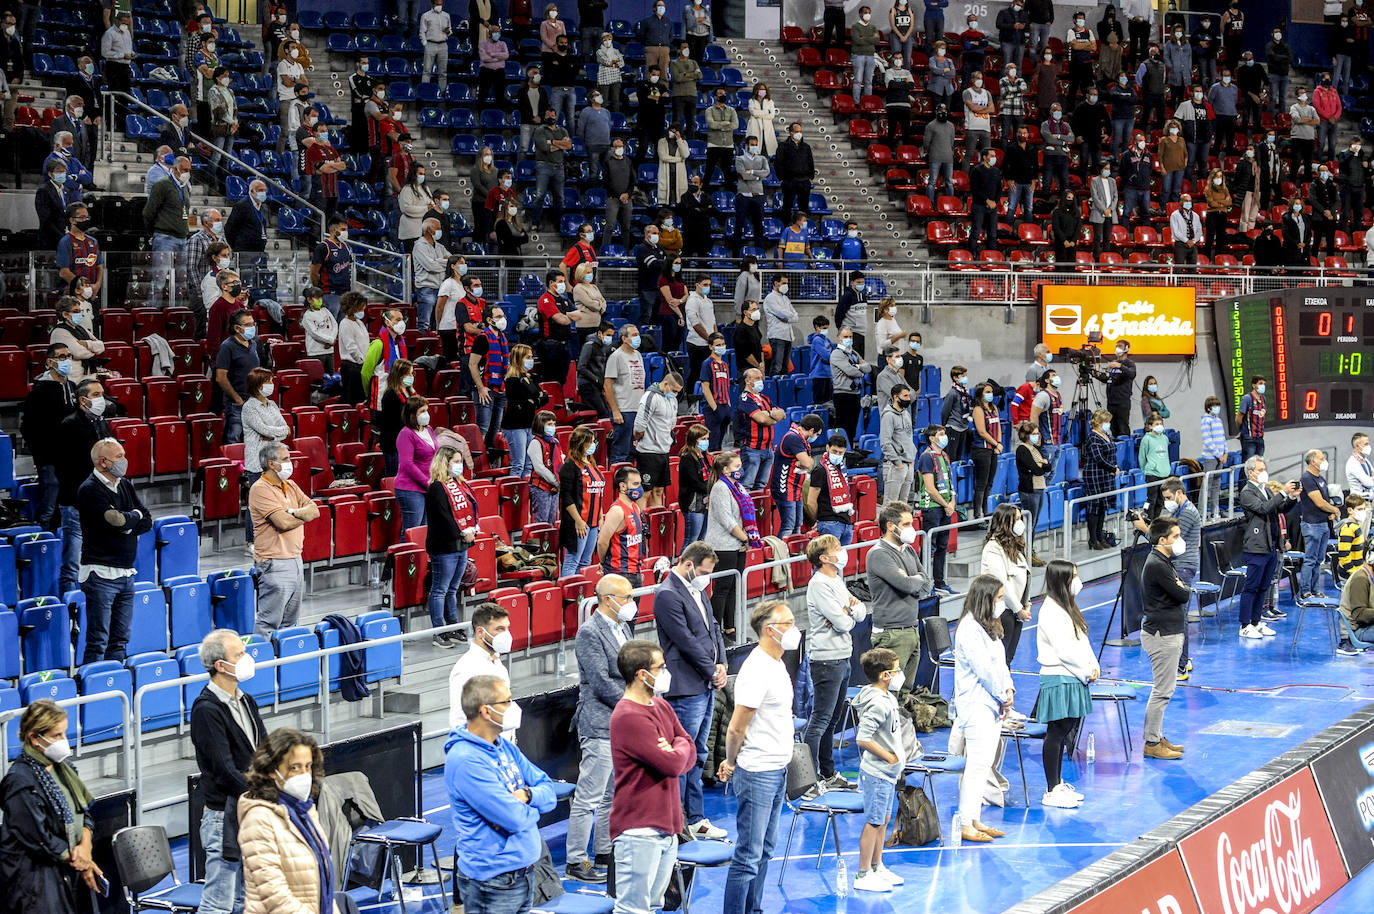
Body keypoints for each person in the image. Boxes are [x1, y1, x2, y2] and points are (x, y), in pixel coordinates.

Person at [446, 674, 556, 910]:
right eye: (506, 701)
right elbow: (514, 819)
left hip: (524, 872)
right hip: (493, 881)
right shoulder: (467, 760)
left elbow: (549, 789)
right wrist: (528, 813)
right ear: (486, 711)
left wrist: (527, 796)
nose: (512, 707)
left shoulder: (504, 746)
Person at [718, 600, 796, 912]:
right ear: (769, 629)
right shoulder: (756, 669)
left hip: (778, 769)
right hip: (758, 773)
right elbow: (736, 727)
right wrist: (731, 761)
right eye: (788, 623)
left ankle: (754, 908)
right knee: (748, 856)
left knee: (765, 850)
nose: (794, 629)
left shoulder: (777, 663)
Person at [0, 699, 104, 914]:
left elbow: (84, 812)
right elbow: (37, 838)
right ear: (34, 738)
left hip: (68, 869)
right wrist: (81, 861)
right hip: (33, 881)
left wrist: (86, 846)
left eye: (64, 734)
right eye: (57, 735)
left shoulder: (65, 768)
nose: (63, 741)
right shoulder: (19, 781)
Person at [191, 629, 269, 914]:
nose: (247, 658)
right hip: (223, 816)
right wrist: (262, 792)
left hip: (250, 811)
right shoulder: (206, 709)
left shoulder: (247, 701)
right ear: (221, 666)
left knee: (244, 901)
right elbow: (223, 769)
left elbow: (264, 752)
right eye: (239, 654)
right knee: (218, 904)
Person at [77, 438, 153, 664]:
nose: (124, 460)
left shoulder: (125, 484)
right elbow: (114, 522)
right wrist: (130, 520)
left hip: (126, 573)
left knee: (120, 639)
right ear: (103, 462)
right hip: (100, 574)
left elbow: (146, 519)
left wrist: (129, 522)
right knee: (98, 640)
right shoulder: (89, 489)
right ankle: (94, 688)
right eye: (119, 457)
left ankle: (114, 682)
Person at [802, 535, 868, 793]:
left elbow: (860, 612)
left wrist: (848, 612)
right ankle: (808, 780)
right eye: (837, 548)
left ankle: (828, 774)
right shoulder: (818, 584)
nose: (843, 551)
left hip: (843, 657)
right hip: (826, 660)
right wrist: (848, 614)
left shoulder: (837, 580)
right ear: (824, 558)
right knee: (819, 720)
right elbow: (843, 623)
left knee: (832, 721)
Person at [952, 574, 1014, 841]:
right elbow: (984, 670)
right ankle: (966, 823)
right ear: (985, 599)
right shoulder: (968, 628)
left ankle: (975, 817)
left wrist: (1009, 689)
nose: (1001, 603)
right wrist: (1002, 695)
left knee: (984, 763)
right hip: (977, 705)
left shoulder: (988, 626)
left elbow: (1000, 664)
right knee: (976, 766)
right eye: (999, 598)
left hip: (992, 704)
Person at [1033, 560, 1096, 807]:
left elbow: (1081, 639)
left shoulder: (1067, 606)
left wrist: (1093, 665)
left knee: (1064, 731)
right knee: (1057, 731)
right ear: (1062, 580)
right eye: (1074, 576)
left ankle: (1058, 783)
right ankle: (1051, 789)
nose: (1078, 581)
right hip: (1059, 677)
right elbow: (1063, 650)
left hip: (1073, 676)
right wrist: (1084, 671)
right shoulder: (1050, 610)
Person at [1136, 515, 1191, 761]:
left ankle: (1157, 735)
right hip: (1162, 635)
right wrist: (1181, 587)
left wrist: (1181, 587)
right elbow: (1182, 594)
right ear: (1162, 540)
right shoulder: (1157, 564)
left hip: (1168, 631)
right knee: (1162, 691)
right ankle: (1152, 742)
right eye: (1175, 537)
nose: (1179, 541)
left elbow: (1181, 589)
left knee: (1164, 689)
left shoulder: (1163, 560)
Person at [248, 443, 316, 636]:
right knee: (268, 623)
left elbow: (315, 510)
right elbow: (282, 523)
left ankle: (284, 665)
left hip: (295, 560)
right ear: (271, 463)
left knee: (290, 623)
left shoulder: (291, 485)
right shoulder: (260, 489)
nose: (290, 463)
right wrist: (302, 516)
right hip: (274, 563)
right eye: (285, 459)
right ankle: (264, 664)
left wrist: (292, 512)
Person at [864, 501, 929, 694]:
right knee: (889, 692)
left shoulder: (908, 549)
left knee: (905, 692)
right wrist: (913, 581)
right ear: (891, 526)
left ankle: (901, 725)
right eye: (906, 524)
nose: (912, 529)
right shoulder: (878, 554)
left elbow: (926, 583)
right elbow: (906, 585)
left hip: (911, 628)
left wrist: (913, 580)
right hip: (891, 633)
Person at [1237, 456, 1300, 639]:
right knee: (1251, 587)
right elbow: (1263, 509)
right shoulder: (1247, 492)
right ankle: (1245, 624)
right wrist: (1282, 492)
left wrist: (1291, 497)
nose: (1264, 472)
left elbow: (1279, 508)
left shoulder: (1265, 490)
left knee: (1263, 586)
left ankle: (1256, 621)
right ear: (1251, 473)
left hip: (1271, 545)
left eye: (1264, 468)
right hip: (1256, 546)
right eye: (1260, 469)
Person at [425, 446, 477, 647]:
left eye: (460, 461)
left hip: (460, 545)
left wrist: (470, 531)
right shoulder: (436, 488)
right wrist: (462, 533)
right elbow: (444, 519)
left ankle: (452, 626)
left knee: (453, 588)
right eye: (455, 461)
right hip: (444, 546)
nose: (459, 465)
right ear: (444, 463)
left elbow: (468, 511)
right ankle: (439, 631)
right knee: (440, 589)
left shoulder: (460, 485)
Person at [21, 342, 77, 531]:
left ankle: (64, 547)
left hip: (70, 458)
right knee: (49, 506)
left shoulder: (72, 387)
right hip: (50, 458)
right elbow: (28, 427)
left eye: (69, 356)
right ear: (50, 362)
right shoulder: (40, 391)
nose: (67, 360)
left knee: (68, 506)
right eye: (62, 357)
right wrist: (41, 456)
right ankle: (43, 542)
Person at [706, 451, 759, 637]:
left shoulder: (738, 487)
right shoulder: (720, 488)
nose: (741, 469)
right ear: (726, 469)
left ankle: (730, 627)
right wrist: (746, 538)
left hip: (738, 544)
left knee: (734, 589)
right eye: (737, 466)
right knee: (722, 589)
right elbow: (726, 520)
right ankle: (714, 630)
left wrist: (746, 539)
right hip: (723, 546)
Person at [240, 367, 290, 554]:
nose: (272, 384)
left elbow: (284, 429)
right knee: (256, 502)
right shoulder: (249, 407)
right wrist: (271, 433)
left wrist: (271, 435)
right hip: (256, 462)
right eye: (269, 381)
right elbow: (264, 430)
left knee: (275, 500)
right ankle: (250, 542)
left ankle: (271, 536)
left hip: (275, 460)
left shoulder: (272, 405)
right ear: (259, 385)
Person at [981, 503, 1031, 665]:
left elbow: (1024, 575)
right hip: (1003, 611)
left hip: (1017, 610)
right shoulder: (993, 548)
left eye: (1020, 518)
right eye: (1016, 519)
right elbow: (1001, 583)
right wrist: (1019, 609)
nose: (1019, 522)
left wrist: (1026, 603)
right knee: (1000, 659)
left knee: (1008, 657)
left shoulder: (1014, 545)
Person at [447, 603, 512, 727]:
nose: (506, 634)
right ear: (480, 632)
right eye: (499, 629)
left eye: (507, 628)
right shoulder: (467, 669)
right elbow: (459, 721)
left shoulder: (497, 662)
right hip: (482, 745)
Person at [559, 427, 605, 577]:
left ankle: (581, 595)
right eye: (591, 442)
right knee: (572, 561)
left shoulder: (591, 463)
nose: (594, 444)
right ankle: (568, 597)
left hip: (593, 522)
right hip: (579, 522)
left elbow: (598, 492)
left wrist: (600, 516)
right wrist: (578, 520)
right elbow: (566, 497)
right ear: (581, 443)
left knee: (585, 562)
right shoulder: (570, 466)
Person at [1298, 448, 1342, 601]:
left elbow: (1325, 501)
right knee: (1310, 559)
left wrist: (1329, 512)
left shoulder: (1321, 479)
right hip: (1312, 525)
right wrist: (1335, 509)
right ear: (1313, 461)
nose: (1324, 461)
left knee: (1319, 560)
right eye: (1321, 458)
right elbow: (1319, 502)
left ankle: (1315, 590)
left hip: (1323, 524)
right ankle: (1305, 592)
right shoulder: (1307, 478)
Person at [633, 372, 682, 508]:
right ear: (665, 384)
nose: (676, 394)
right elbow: (639, 426)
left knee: (659, 491)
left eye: (678, 392)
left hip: (664, 452)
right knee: (645, 492)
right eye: (674, 390)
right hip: (648, 452)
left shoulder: (673, 400)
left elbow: (671, 426)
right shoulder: (650, 397)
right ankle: (642, 526)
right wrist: (641, 439)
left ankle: (655, 525)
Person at [770, 414, 822, 538]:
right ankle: (783, 555)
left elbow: (809, 463)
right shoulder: (793, 438)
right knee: (788, 525)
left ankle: (794, 552)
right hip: (784, 488)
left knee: (797, 524)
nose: (816, 437)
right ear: (811, 431)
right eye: (817, 434)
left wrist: (807, 462)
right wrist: (806, 462)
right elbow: (808, 464)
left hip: (796, 488)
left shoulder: (802, 440)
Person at [597, 467, 647, 587]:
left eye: (640, 484)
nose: (639, 488)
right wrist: (604, 562)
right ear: (623, 486)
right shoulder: (617, 511)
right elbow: (602, 542)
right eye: (635, 484)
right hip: (619, 572)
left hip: (635, 571)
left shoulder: (635, 507)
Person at [605, 325, 646, 464]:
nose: (638, 337)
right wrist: (615, 410)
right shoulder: (615, 357)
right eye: (634, 335)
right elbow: (607, 385)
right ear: (624, 338)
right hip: (624, 409)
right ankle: (618, 482)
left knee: (634, 450)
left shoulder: (638, 354)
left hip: (638, 409)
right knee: (620, 451)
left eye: (638, 334)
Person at [808, 433, 857, 546]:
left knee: (841, 562)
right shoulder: (820, 470)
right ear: (827, 448)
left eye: (841, 453)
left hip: (846, 522)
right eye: (834, 451)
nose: (837, 455)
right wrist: (819, 520)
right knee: (827, 561)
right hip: (828, 523)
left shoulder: (842, 469)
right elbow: (811, 502)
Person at [1013, 421, 1052, 563]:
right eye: (1034, 434)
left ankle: (1030, 551)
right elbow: (1037, 469)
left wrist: (1042, 465)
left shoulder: (1035, 448)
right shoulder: (1022, 449)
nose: (1037, 436)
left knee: (1034, 523)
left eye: (1038, 433)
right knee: (1029, 522)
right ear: (1026, 435)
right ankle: (1025, 552)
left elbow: (1048, 467)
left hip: (1040, 487)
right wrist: (1042, 464)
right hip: (1030, 489)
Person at [1082, 409, 1119, 550]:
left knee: (1103, 506)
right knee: (1095, 506)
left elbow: (1112, 452)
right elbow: (1099, 458)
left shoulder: (1106, 435)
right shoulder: (1093, 437)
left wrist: (1115, 467)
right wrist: (1112, 468)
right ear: (1098, 422)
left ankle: (1100, 536)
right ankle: (1093, 539)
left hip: (1107, 475)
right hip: (1095, 475)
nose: (1108, 424)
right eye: (1106, 422)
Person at [881, 384, 917, 507]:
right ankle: (887, 526)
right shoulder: (888, 416)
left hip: (908, 463)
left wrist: (912, 458)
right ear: (896, 397)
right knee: (891, 504)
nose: (908, 398)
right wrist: (898, 463)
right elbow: (885, 443)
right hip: (896, 466)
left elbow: (909, 437)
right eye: (905, 396)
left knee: (904, 503)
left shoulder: (906, 413)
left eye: (909, 395)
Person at [830, 327, 869, 444]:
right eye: (845, 337)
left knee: (852, 428)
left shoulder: (854, 353)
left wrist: (857, 367)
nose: (849, 339)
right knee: (843, 427)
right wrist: (860, 368)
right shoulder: (836, 354)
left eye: (850, 337)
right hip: (842, 394)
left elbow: (868, 367)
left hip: (855, 394)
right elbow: (851, 371)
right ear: (839, 338)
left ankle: (850, 451)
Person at [528, 409, 564, 527]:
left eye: (554, 424)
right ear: (540, 425)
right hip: (541, 487)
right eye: (549, 424)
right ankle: (538, 545)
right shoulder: (535, 443)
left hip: (555, 487)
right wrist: (556, 482)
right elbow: (539, 468)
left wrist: (559, 483)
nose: (552, 427)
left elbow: (560, 463)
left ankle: (550, 545)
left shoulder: (555, 442)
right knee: (541, 522)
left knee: (552, 520)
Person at [1094, 339, 1136, 437]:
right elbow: (1108, 379)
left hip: (1123, 402)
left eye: (1120, 346)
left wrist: (1120, 366)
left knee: (1123, 428)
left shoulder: (1129, 364)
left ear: (1126, 348)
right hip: (1111, 402)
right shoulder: (1113, 364)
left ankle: (1124, 448)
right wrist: (1097, 374)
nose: (1117, 348)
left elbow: (1132, 374)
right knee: (1113, 428)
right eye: (1116, 346)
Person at [678, 426, 712, 546]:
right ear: (694, 439)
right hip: (693, 503)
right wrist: (712, 489)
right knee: (691, 540)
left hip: (706, 503)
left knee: (702, 539)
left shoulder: (705, 457)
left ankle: (697, 565)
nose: (706, 441)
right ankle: (682, 563)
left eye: (707, 438)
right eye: (703, 438)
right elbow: (693, 482)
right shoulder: (687, 458)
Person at [776, 124, 816, 222]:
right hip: (789, 181)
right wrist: (781, 178)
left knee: (804, 207)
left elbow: (811, 162)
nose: (799, 134)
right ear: (791, 133)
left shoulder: (806, 147)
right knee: (787, 206)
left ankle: (803, 229)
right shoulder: (783, 146)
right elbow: (778, 163)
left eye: (800, 131)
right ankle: (786, 227)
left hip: (804, 181)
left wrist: (811, 177)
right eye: (797, 131)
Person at [763, 273, 799, 376]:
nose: (786, 285)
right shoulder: (770, 298)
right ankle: (773, 390)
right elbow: (782, 315)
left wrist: (789, 316)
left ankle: (783, 390)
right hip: (777, 335)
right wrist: (789, 316)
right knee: (776, 367)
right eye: (784, 283)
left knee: (785, 368)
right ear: (776, 283)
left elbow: (796, 316)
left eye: (787, 283)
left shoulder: (785, 299)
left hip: (788, 336)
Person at [684, 275, 715, 385]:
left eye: (709, 285)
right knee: (696, 372)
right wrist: (710, 339)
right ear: (697, 285)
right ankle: (691, 397)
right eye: (705, 285)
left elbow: (713, 322)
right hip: (696, 343)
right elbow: (695, 324)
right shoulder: (692, 301)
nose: (708, 287)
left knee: (708, 374)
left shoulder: (708, 301)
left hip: (709, 343)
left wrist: (715, 338)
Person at [1139, 413, 1170, 519]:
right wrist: (1145, 469)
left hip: (1164, 473)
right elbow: (1142, 457)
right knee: (1151, 499)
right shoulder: (1146, 439)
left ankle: (1155, 520)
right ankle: (1148, 521)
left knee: (1161, 500)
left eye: (1161, 424)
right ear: (1150, 426)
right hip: (1152, 473)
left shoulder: (1165, 438)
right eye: (1157, 424)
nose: (1159, 426)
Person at [1237, 375, 1267, 459]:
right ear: (1254, 385)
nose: (1263, 386)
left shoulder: (1263, 399)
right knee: (1248, 465)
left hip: (1260, 438)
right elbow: (1238, 417)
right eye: (1260, 383)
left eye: (1264, 384)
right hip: (1249, 438)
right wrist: (1242, 430)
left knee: (1259, 463)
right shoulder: (1247, 398)